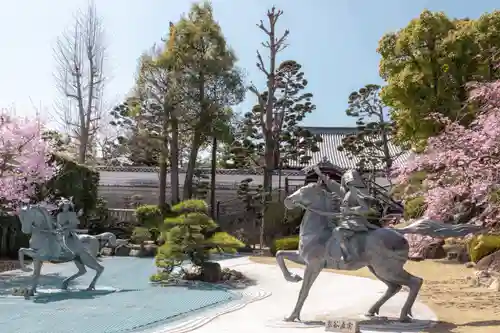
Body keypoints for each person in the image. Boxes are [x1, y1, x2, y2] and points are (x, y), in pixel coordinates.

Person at [313, 166, 379, 263]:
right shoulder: (347, 193)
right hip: (346, 221)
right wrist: (320, 174)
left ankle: (348, 255)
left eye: (347, 180)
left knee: (337, 231)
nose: (346, 182)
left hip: (356, 221)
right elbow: (332, 184)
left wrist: (349, 210)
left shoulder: (356, 192)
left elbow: (365, 209)